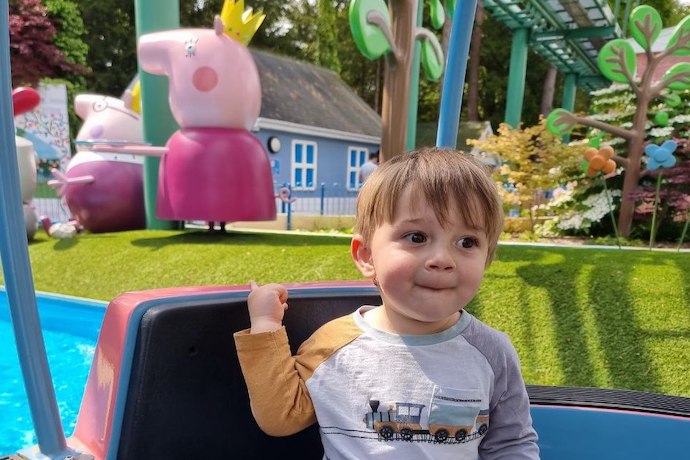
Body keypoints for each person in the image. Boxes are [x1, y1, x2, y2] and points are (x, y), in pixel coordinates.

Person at [234, 147, 539, 459]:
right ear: (366, 256)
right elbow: (280, 417)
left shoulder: (493, 353)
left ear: (486, 257)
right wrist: (266, 327)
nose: (442, 260)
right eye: (417, 237)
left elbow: (511, 444)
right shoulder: (333, 346)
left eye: (467, 242)